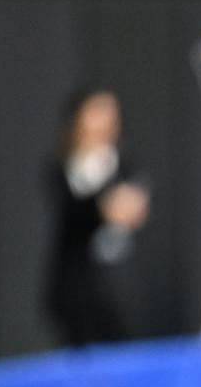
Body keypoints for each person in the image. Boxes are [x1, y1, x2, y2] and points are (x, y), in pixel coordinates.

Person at [45, 89, 149, 346]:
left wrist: (130, 207)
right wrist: (103, 208)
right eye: (97, 112)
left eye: (110, 114)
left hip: (118, 290)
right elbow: (73, 210)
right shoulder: (62, 169)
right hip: (77, 293)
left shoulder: (125, 166)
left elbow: (135, 209)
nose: (105, 120)